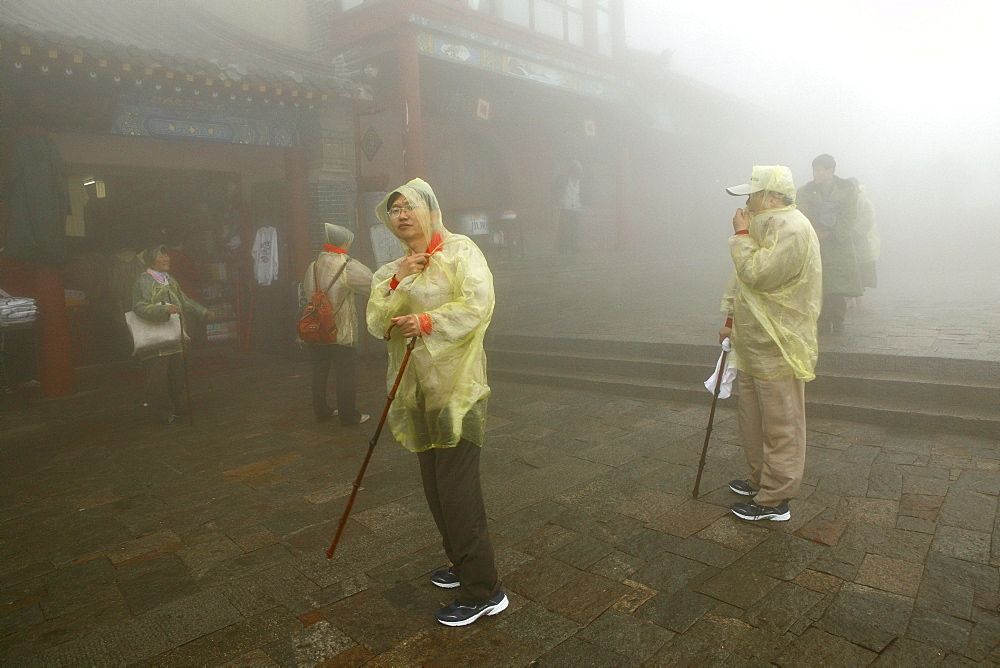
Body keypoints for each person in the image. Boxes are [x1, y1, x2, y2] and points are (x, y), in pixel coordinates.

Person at [367, 178, 505, 627]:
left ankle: (485, 590)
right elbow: (376, 322)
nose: (402, 215)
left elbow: (478, 305)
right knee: (436, 488)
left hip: (457, 391)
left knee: (459, 492)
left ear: (430, 209)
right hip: (417, 392)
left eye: (410, 206)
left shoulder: (461, 252)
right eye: (394, 210)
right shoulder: (395, 266)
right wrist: (399, 279)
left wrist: (427, 320)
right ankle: (461, 563)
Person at [718, 166, 822, 522]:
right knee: (753, 418)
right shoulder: (767, 225)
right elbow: (741, 279)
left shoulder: (791, 227)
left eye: (753, 194)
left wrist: (741, 235)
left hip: (779, 343)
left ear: (774, 196)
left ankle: (776, 499)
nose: (748, 201)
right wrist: (731, 320)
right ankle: (760, 479)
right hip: (753, 342)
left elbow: (759, 274)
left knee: (780, 423)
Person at [131, 245, 213, 424]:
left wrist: (202, 311)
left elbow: (183, 300)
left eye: (166, 254)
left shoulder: (170, 280)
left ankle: (176, 407)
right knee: (158, 381)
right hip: (156, 341)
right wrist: (164, 309)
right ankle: (164, 412)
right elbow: (139, 307)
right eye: (161, 255)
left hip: (174, 337)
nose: (166, 258)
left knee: (177, 375)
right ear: (151, 261)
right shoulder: (144, 281)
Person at [303, 224, 372, 425]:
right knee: (345, 373)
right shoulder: (347, 265)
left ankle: (321, 411)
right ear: (345, 242)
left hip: (316, 328)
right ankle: (348, 416)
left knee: (319, 371)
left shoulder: (314, 265)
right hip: (340, 330)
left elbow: (309, 292)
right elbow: (372, 285)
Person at [796, 154, 861, 334]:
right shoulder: (805, 191)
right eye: (814, 170)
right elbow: (801, 214)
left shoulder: (847, 189)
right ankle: (822, 321)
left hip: (839, 246)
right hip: (816, 245)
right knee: (819, 284)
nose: (815, 174)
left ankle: (838, 321)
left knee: (838, 286)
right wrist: (814, 232)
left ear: (830, 170)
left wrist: (833, 234)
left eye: (818, 170)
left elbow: (849, 215)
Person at [850, 178, 880, 303]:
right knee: (851, 272)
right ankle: (851, 300)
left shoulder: (865, 203)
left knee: (859, 273)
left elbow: (867, 221)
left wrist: (852, 232)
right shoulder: (847, 201)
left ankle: (857, 301)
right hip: (850, 244)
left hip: (862, 244)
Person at [555, 160, 584, 254]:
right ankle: (563, 249)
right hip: (565, 207)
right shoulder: (565, 180)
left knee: (575, 229)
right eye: (578, 173)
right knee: (564, 229)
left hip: (576, 207)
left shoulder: (580, 182)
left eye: (580, 173)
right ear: (573, 172)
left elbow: (582, 194)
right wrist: (559, 198)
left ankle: (575, 248)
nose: (579, 175)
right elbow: (557, 189)